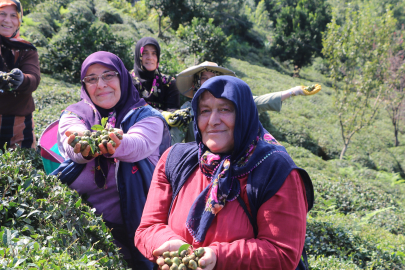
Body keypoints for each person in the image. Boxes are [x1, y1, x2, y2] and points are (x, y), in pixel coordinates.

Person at [135, 76, 314, 270]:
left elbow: (282, 253)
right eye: (205, 111)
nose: (213, 121)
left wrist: (218, 257)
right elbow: (148, 228)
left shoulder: (274, 169)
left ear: (244, 113)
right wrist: (167, 243)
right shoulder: (174, 159)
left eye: (225, 109)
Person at [56, 51, 170, 269]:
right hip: (81, 228)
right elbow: (74, 143)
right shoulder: (74, 114)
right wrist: (84, 145)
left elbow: (138, 144)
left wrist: (113, 142)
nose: (101, 84)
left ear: (122, 78)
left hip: (136, 226)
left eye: (108, 75)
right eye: (91, 78)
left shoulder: (148, 117)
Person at [174, 61, 321, 143]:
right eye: (205, 77)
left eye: (214, 77)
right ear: (196, 83)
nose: (211, 81)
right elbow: (176, 139)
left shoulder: (231, 104)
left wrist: (293, 91)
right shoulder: (187, 110)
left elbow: (258, 102)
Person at [0, 0, 40, 150]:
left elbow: (34, 78)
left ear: (19, 20)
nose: (7, 20)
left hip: (19, 123)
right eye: (2, 14)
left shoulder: (26, 49)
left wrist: (21, 79)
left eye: (13, 15)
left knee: (21, 166)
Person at [130, 37, 185, 144]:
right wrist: (161, 113)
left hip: (162, 131)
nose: (150, 58)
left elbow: (172, 108)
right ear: (138, 55)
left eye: (154, 53)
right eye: (145, 53)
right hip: (134, 130)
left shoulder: (168, 82)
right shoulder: (128, 81)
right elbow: (131, 108)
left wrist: (173, 116)